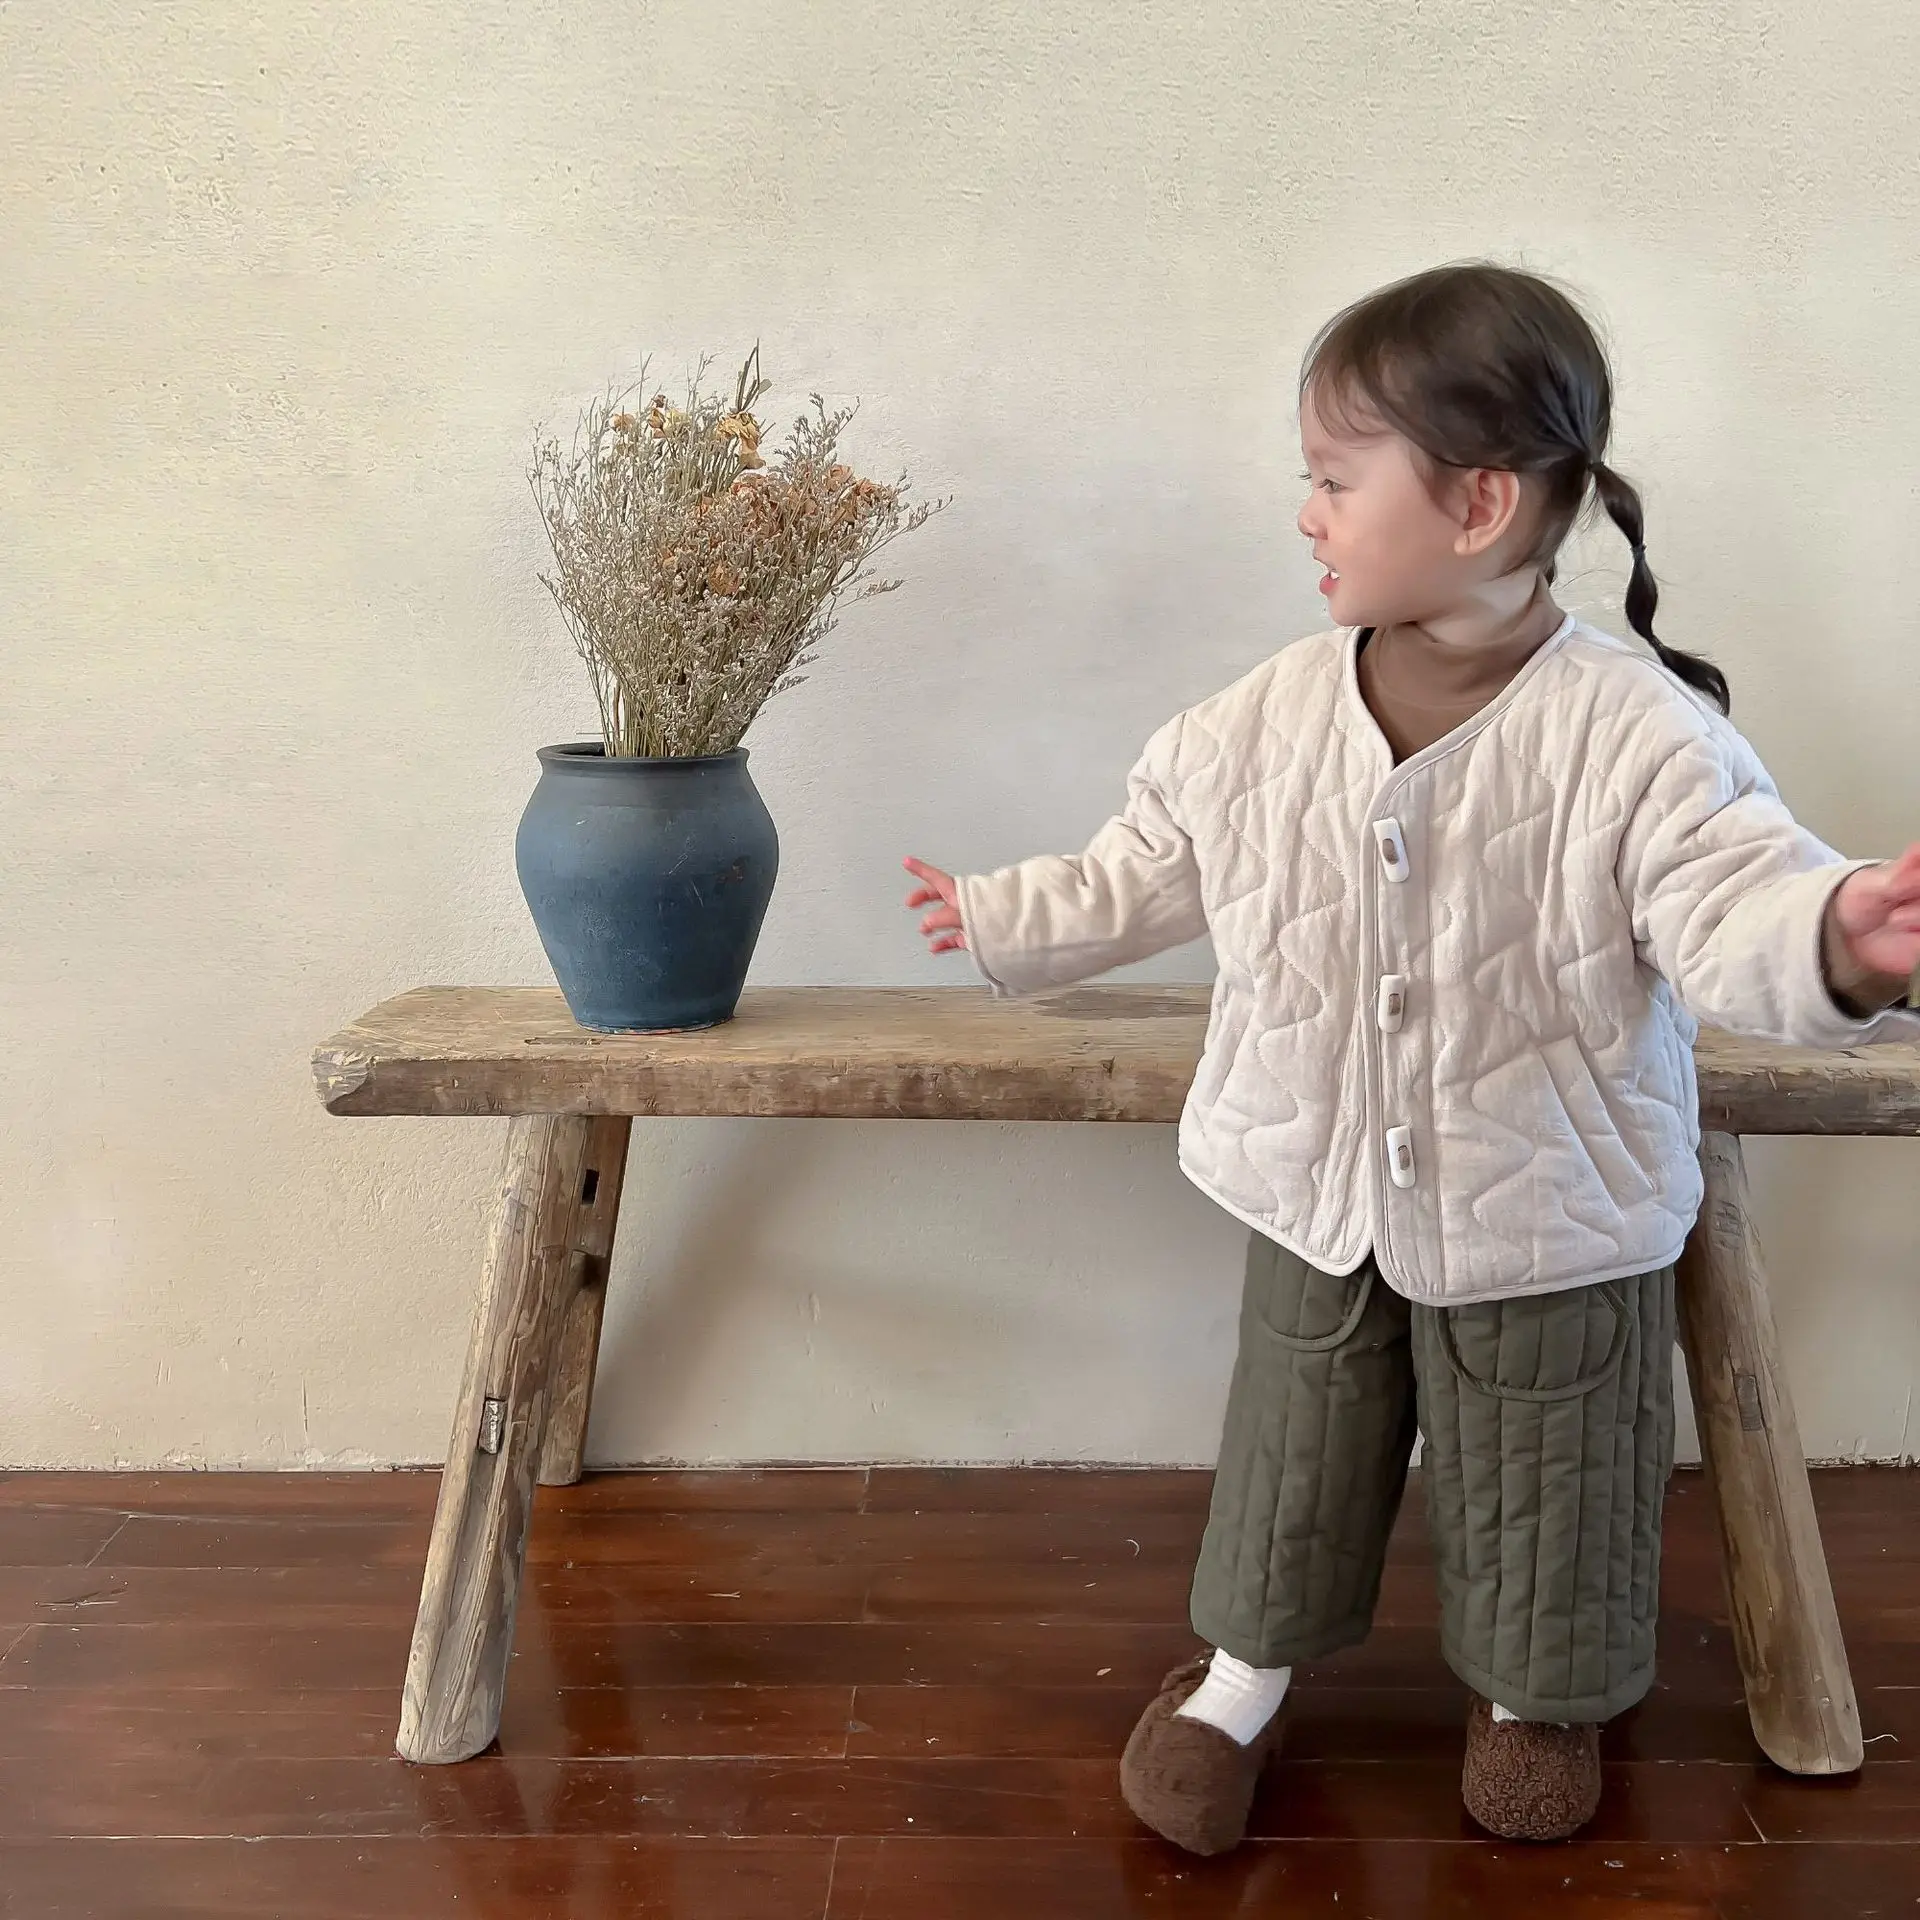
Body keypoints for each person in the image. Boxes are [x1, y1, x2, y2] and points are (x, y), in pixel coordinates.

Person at [902, 263, 1920, 1853]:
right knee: (1293, 1446)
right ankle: (1244, 1668)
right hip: (1312, 1173)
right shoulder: (1263, 720)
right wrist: (1001, 915)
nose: (1301, 513)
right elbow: (1154, 859)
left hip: (1552, 1200)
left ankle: (1540, 1698)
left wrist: (1845, 938)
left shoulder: (1640, 734)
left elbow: (1736, 900)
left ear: (1478, 504)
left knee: (1552, 1460)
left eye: (1329, 478)